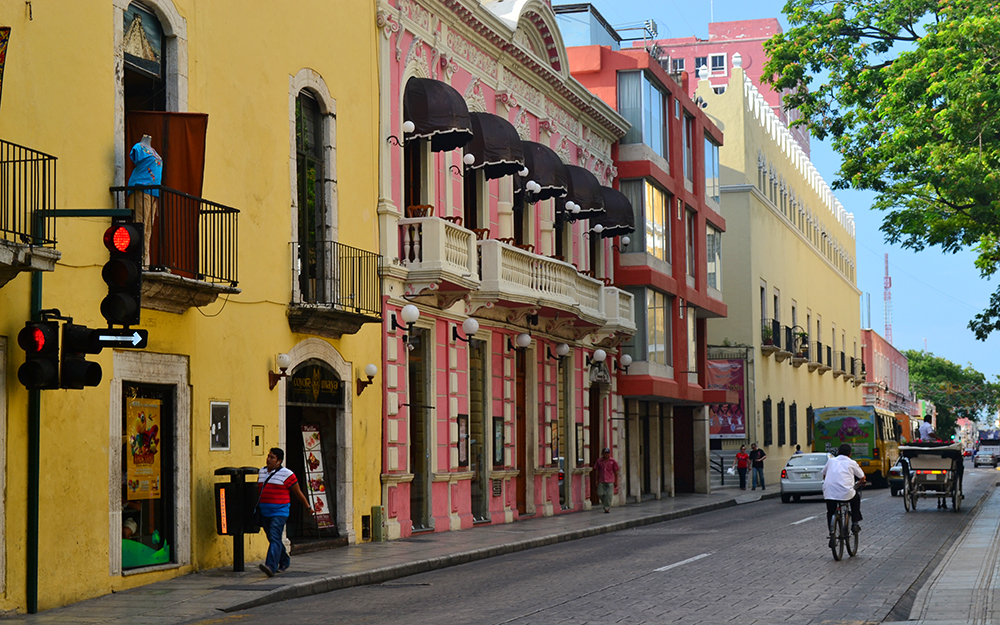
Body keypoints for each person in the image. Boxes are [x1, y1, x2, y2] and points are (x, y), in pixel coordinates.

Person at [257, 447, 312, 577]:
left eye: (272, 457)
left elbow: (298, 492)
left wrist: (308, 507)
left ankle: (271, 565)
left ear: (279, 461)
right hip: (264, 511)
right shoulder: (262, 471)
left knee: (275, 536)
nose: (268, 459)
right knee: (272, 538)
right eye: (268, 456)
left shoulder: (287, 474)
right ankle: (285, 560)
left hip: (280, 511)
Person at [822, 443, 866, 547]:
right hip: (846, 493)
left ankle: (832, 534)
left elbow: (824, 474)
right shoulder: (852, 462)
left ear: (838, 452)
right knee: (856, 499)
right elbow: (862, 477)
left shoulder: (831, 461)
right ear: (850, 454)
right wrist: (861, 483)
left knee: (830, 512)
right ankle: (855, 523)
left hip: (829, 493)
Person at [593, 447, 619, 513]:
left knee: (609, 495)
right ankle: (605, 503)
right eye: (605, 453)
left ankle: (607, 508)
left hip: (610, 480)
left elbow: (616, 472)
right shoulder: (599, 461)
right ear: (602, 454)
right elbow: (597, 471)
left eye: (608, 453)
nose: (606, 455)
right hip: (601, 480)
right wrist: (596, 480)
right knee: (600, 493)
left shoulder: (612, 461)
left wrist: (616, 481)